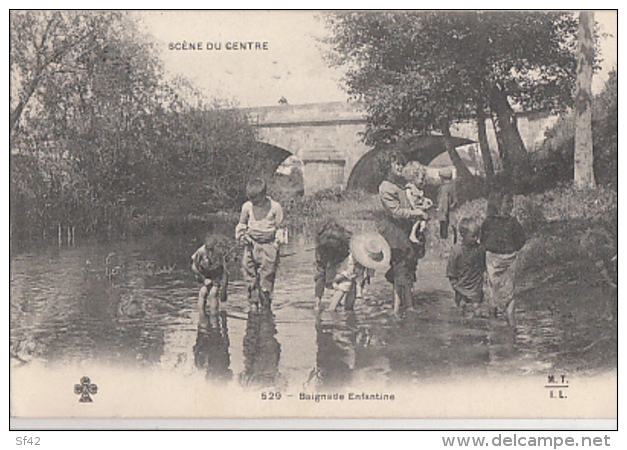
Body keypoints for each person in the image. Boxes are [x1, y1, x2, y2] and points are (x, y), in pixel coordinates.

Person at [377, 151, 428, 316]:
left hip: (405, 229)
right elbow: (396, 212)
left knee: (409, 265)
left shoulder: (400, 184)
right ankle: (401, 308)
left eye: (401, 164)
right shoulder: (385, 187)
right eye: (396, 164)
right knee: (401, 266)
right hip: (394, 231)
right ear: (387, 167)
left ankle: (405, 303)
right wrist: (418, 213)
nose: (400, 167)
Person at [235, 178, 285, 311]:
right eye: (251, 200)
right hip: (251, 243)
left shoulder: (275, 207)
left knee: (267, 275)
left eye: (256, 200)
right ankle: (253, 302)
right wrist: (241, 236)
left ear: (264, 195)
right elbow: (242, 224)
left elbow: (280, 227)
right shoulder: (247, 207)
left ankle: (266, 302)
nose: (254, 203)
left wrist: (277, 243)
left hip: (269, 245)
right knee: (249, 272)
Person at [480, 192, 526, 327]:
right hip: (502, 257)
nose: (511, 205)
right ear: (497, 204)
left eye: (511, 202)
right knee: (504, 289)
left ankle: (496, 320)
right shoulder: (509, 222)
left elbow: (483, 240)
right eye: (508, 202)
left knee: (495, 287)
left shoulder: (492, 222)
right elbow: (521, 240)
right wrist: (513, 249)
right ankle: (509, 323)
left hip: (500, 258)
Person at [326, 231, 389, 312]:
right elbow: (345, 272)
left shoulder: (366, 258)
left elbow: (369, 272)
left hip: (354, 273)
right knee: (344, 286)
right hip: (346, 271)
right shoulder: (352, 257)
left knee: (352, 290)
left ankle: (347, 310)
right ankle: (332, 309)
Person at [446, 218, 486, 313]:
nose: (476, 239)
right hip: (461, 289)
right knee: (461, 310)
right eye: (473, 236)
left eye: (477, 236)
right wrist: (456, 286)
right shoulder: (457, 251)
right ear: (463, 235)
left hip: (476, 289)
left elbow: (483, 266)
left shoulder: (480, 249)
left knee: (477, 312)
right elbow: (451, 271)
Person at [191, 232, 232, 317]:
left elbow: (224, 271)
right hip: (203, 272)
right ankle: (202, 316)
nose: (209, 251)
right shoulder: (200, 252)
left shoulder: (219, 252)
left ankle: (214, 319)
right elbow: (194, 267)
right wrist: (203, 279)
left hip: (216, 272)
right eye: (207, 249)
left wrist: (224, 289)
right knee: (203, 292)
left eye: (211, 249)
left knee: (214, 293)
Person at [313, 219, 352, 310]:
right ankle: (320, 304)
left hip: (344, 261)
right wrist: (317, 304)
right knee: (321, 278)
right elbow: (320, 276)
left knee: (346, 282)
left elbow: (347, 274)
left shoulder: (346, 245)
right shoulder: (321, 249)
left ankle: (345, 308)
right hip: (328, 259)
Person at [437, 167, 458, 241]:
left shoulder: (444, 188)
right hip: (452, 211)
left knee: (444, 230)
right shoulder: (452, 186)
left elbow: (444, 202)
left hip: (445, 214)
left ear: (443, 178)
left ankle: (444, 240)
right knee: (453, 226)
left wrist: (443, 214)